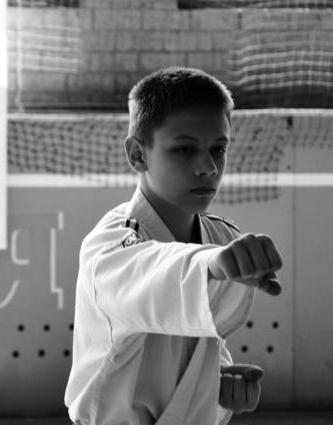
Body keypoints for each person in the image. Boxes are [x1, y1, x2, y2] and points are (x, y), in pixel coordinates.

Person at [64, 67, 283, 425]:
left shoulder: (221, 238)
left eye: (218, 149)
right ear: (138, 154)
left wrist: (218, 393)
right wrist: (210, 264)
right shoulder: (109, 245)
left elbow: (193, 357)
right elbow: (153, 273)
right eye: (184, 149)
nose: (208, 167)